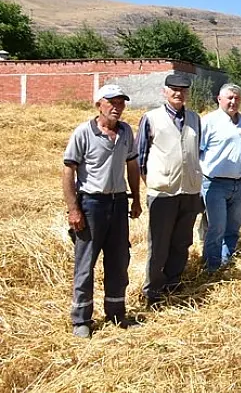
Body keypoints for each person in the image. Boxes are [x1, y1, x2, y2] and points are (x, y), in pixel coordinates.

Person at [62, 84, 142, 338]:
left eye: (121, 103)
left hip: (118, 203)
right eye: (112, 103)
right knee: (86, 263)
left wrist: (136, 197)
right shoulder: (84, 133)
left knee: (119, 260)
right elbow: (68, 172)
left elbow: (132, 166)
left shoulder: (126, 132)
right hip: (91, 204)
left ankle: (116, 312)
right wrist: (73, 209)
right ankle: (81, 319)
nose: (117, 108)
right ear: (99, 105)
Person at [137, 74, 205, 306]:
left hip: (189, 190)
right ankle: (153, 292)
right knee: (159, 244)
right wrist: (155, 182)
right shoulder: (151, 118)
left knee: (182, 241)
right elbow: (141, 159)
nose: (179, 93)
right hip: (163, 193)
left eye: (183, 90)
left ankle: (173, 285)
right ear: (164, 92)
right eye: (174, 89)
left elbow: (197, 153)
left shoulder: (195, 119)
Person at [198, 83, 241, 273]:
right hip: (215, 184)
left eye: (237, 98)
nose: (233, 102)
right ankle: (211, 267)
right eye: (229, 98)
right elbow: (197, 152)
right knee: (216, 228)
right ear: (219, 99)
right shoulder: (208, 122)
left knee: (233, 228)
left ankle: (226, 262)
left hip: (240, 183)